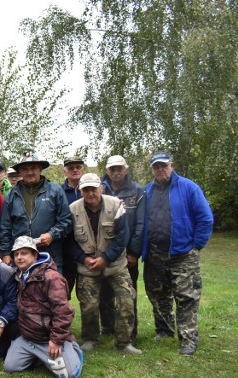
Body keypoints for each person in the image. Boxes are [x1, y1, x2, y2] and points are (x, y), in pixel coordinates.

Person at [142, 152, 213, 356]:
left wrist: (196, 246)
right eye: (156, 167)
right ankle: (164, 330)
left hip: (183, 254)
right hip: (155, 254)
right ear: (152, 169)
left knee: (186, 297)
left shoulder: (189, 188)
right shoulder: (147, 191)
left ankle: (188, 340)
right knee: (158, 294)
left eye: (164, 165)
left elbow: (205, 219)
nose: (160, 169)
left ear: (171, 165)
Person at [68, 173, 141, 355]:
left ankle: (124, 342)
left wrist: (105, 258)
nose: (91, 193)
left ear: (101, 188)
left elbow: (122, 237)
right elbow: (68, 241)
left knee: (126, 299)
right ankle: (90, 339)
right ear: (80, 191)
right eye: (86, 190)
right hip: (87, 265)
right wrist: (83, 258)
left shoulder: (115, 205)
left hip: (115, 264)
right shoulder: (72, 209)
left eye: (94, 188)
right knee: (89, 305)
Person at [4, 236, 83, 378]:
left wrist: (57, 339)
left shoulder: (51, 277)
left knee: (69, 376)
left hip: (49, 338)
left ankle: (71, 348)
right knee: (10, 367)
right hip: (28, 337)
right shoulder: (17, 275)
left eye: (24, 253)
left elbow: (63, 311)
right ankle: (39, 356)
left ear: (35, 255)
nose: (19, 257)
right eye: (16, 254)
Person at [0, 153, 72, 272]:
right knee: (21, 290)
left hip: (50, 256)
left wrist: (52, 235)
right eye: (25, 169)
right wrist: (6, 253)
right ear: (19, 172)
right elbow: (5, 227)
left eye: (33, 168)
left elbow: (66, 221)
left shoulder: (55, 191)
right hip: (20, 258)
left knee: (53, 290)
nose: (29, 172)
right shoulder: (12, 195)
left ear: (40, 169)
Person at [100, 155, 145, 340]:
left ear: (126, 169)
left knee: (128, 292)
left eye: (120, 169)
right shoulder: (100, 189)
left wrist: (134, 252)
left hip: (128, 254)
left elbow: (140, 224)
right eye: (113, 169)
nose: (116, 172)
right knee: (104, 293)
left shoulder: (138, 191)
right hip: (103, 251)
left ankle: (130, 331)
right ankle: (109, 327)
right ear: (107, 171)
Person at [60, 156, 86, 297]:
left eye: (78, 167)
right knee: (63, 293)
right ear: (65, 171)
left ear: (83, 169)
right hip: (65, 251)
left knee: (88, 295)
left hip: (88, 250)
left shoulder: (93, 190)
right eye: (71, 168)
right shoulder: (58, 192)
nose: (75, 170)